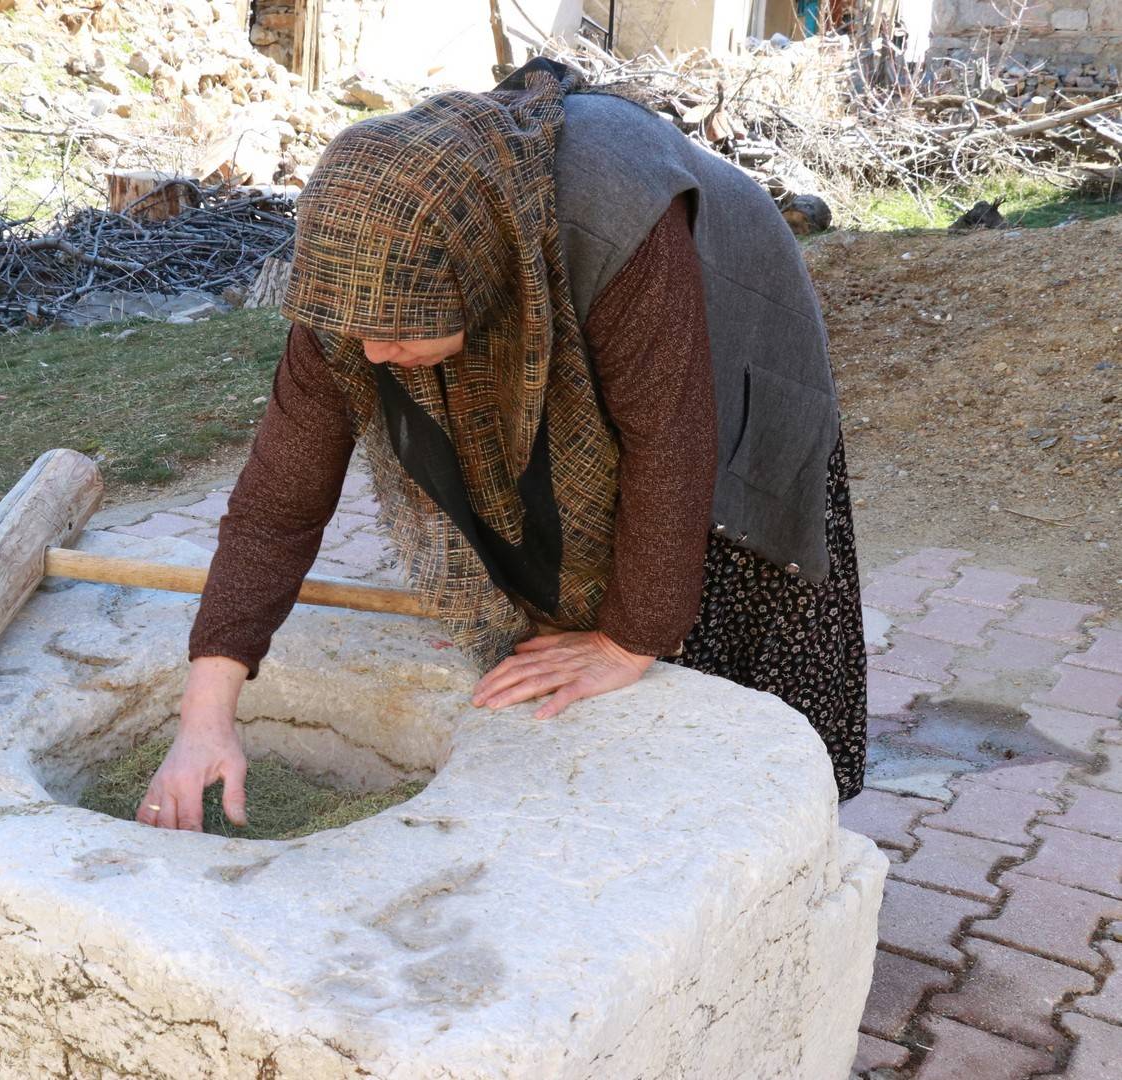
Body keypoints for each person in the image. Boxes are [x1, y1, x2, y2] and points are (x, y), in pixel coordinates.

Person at [136, 58, 866, 832]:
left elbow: (669, 442)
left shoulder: (614, 214)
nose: (373, 354)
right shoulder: (352, 287)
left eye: (394, 331)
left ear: (474, 275)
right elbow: (278, 503)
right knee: (557, 541)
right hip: (584, 299)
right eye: (360, 332)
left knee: (703, 591)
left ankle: (756, 835)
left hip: (725, 311)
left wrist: (628, 639)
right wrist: (205, 715)